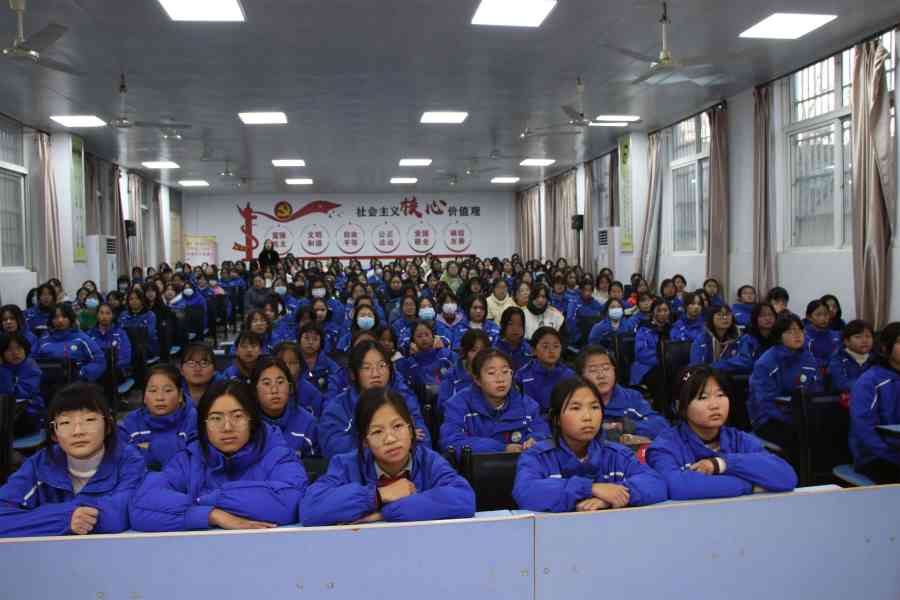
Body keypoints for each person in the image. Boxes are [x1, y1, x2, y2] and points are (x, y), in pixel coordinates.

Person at [130, 380, 308, 531]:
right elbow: (140, 507)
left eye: (237, 416)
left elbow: (290, 501)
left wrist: (207, 499)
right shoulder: (190, 459)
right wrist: (211, 515)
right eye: (216, 418)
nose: (227, 427)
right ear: (204, 425)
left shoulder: (277, 454)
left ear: (251, 420)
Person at [301, 387, 475, 525]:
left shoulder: (429, 461)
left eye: (397, 426)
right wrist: (377, 495)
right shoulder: (346, 465)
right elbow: (310, 508)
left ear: (411, 429)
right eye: (377, 431)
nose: (390, 439)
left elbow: (464, 498)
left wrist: (385, 513)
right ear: (365, 441)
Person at [0, 382, 145, 537]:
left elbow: (118, 515)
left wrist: (39, 517)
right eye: (65, 423)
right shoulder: (40, 464)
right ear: (54, 434)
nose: (78, 431)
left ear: (108, 426)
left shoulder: (129, 460)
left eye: (89, 420)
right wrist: (64, 518)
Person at [512, 377, 667, 512]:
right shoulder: (537, 456)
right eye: (576, 408)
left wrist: (610, 498)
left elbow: (655, 484)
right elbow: (526, 492)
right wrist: (590, 488)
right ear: (556, 418)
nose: (587, 417)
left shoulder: (618, 455)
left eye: (594, 407)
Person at [647, 366, 797, 500]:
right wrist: (750, 486)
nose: (715, 405)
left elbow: (786, 477)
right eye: (703, 397)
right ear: (680, 406)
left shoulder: (739, 440)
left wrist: (722, 464)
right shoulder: (665, 447)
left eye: (720, 395)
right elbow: (677, 487)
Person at [319, 341, 430, 459]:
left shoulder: (403, 399)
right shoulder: (339, 406)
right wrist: (379, 442)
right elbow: (332, 446)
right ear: (353, 373)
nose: (376, 374)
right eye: (367, 368)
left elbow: (423, 440)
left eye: (382, 366)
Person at [440, 348, 550, 457]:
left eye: (505, 372)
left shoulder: (527, 405)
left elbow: (543, 433)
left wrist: (535, 440)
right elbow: (451, 441)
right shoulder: (458, 405)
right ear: (477, 379)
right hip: (475, 467)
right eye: (491, 373)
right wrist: (502, 449)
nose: (500, 379)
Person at [749, 314, 822, 450]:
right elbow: (764, 402)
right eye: (790, 331)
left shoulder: (809, 358)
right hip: (769, 418)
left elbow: (817, 390)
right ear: (779, 336)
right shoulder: (766, 362)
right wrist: (793, 419)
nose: (797, 335)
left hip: (802, 415)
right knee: (798, 438)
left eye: (800, 330)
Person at [576, 346, 669, 441]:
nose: (601, 375)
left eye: (606, 368)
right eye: (593, 370)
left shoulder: (631, 397)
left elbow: (661, 425)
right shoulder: (575, 402)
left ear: (614, 370)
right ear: (581, 376)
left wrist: (624, 426)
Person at [119, 364, 198, 470]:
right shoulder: (130, 423)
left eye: (168, 390)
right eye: (153, 391)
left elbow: (196, 463)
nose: (160, 397)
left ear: (180, 395)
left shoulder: (193, 421)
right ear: (144, 397)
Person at [848, 323, 900, 483]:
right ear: (885, 347)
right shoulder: (869, 381)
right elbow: (863, 428)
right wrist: (892, 455)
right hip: (875, 455)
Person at [252, 357, 319, 458]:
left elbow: (315, 464)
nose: (274, 390)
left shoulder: (308, 424)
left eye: (280, 382)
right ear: (255, 390)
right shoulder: (246, 423)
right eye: (266, 383)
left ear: (290, 387)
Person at [34, 304, 106, 382]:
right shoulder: (43, 340)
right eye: (56, 317)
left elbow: (99, 360)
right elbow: (32, 363)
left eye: (64, 317)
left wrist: (82, 373)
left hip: (77, 384)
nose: (60, 320)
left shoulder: (81, 338)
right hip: (48, 383)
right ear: (51, 320)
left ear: (70, 318)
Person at [514, 327, 575, 414]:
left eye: (556, 346)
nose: (551, 351)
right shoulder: (522, 375)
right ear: (534, 350)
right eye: (545, 346)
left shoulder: (570, 375)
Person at [0, 333, 44, 434]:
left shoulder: (31, 367)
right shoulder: (2, 367)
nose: (15, 353)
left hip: (28, 412)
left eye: (19, 348)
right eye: (9, 349)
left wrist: (4, 371)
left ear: (25, 350)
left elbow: (19, 394)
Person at [437, 329, 491, 413]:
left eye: (482, 350)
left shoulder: (494, 373)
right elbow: (443, 406)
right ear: (465, 352)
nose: (479, 355)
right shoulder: (452, 375)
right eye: (473, 350)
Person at [396, 321, 457, 390]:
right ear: (413, 340)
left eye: (427, 335)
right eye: (419, 336)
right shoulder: (410, 362)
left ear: (434, 337)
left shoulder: (446, 355)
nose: (424, 339)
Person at [629, 300, 672, 386]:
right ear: (652, 312)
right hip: (645, 369)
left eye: (665, 310)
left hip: (668, 367)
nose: (663, 313)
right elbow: (641, 354)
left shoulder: (673, 329)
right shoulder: (644, 329)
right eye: (659, 310)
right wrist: (662, 360)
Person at [829, 320, 876, 394]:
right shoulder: (837, 359)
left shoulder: (877, 359)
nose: (864, 340)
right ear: (846, 341)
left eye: (868, 336)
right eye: (858, 337)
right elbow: (841, 384)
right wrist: (868, 385)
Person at [689, 305, 741, 370]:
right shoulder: (701, 341)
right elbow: (695, 366)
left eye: (728, 314)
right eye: (719, 314)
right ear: (711, 318)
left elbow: (741, 363)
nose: (725, 317)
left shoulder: (739, 339)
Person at [87, 303, 132, 374]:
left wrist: (115, 368)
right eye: (101, 313)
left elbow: (126, 356)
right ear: (97, 315)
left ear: (113, 316)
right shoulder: (89, 334)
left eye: (108, 313)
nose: (104, 316)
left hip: (115, 372)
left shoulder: (121, 333)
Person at [118, 289, 159, 358]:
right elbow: (119, 332)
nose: (134, 301)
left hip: (146, 347)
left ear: (142, 300)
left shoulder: (150, 315)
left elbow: (149, 333)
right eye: (131, 299)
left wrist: (130, 331)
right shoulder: (123, 314)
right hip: (126, 346)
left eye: (137, 298)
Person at [804, 299, 842, 370]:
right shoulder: (805, 336)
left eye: (826, 314)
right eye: (818, 315)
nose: (823, 318)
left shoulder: (837, 335)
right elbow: (807, 360)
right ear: (809, 317)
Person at [495, 307, 533, 371]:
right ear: (502, 325)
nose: (515, 328)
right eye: (511, 324)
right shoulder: (494, 348)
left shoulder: (528, 350)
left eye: (520, 324)